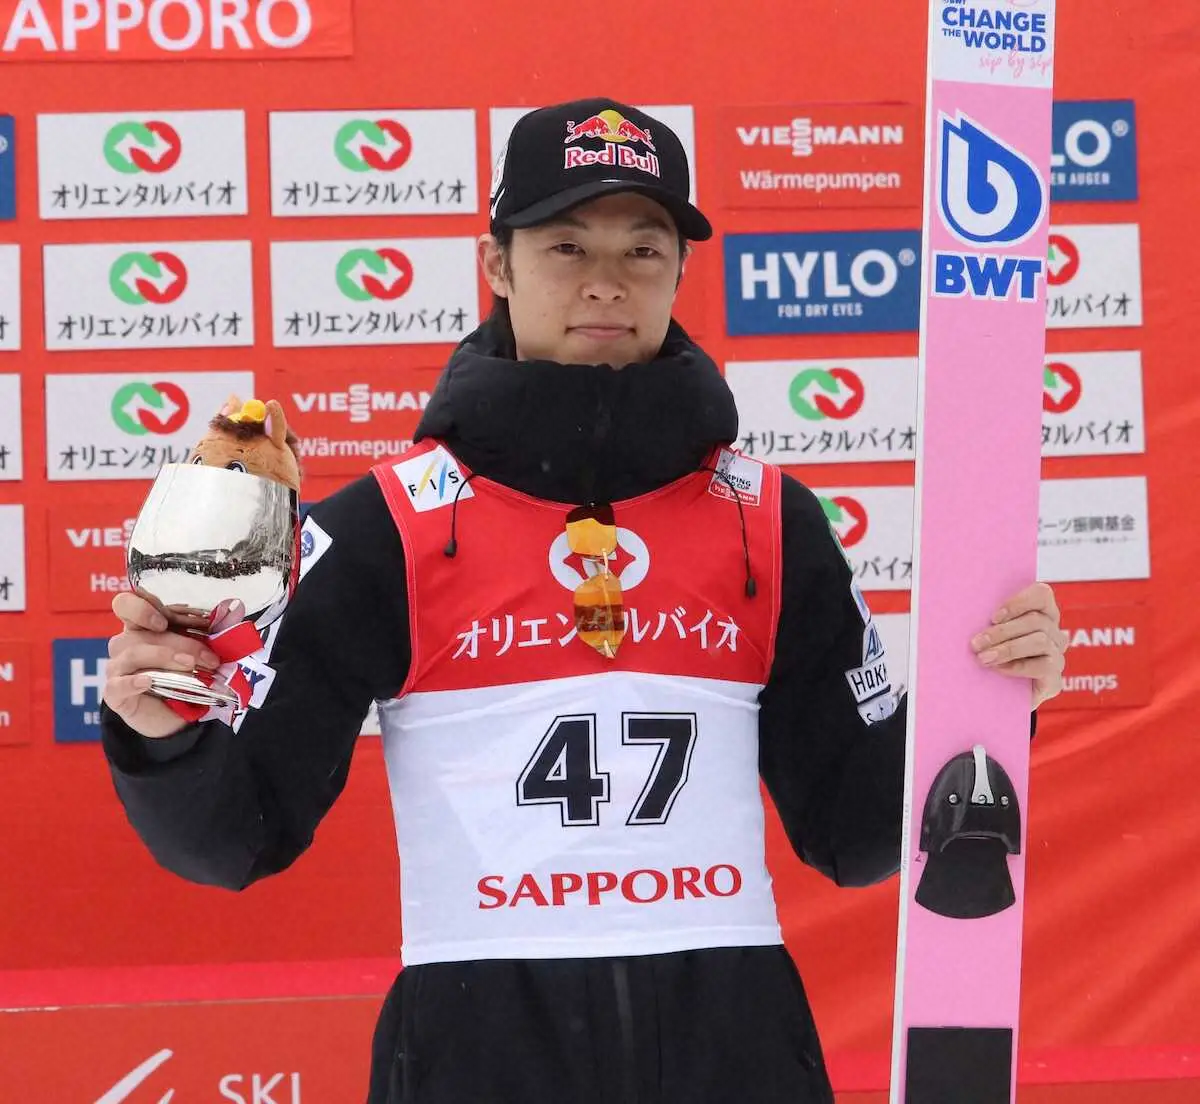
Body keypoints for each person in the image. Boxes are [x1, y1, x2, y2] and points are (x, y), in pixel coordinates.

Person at [100, 99, 1068, 1104]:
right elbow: (235, 838)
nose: (607, 280)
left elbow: (857, 833)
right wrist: (163, 737)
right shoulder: (386, 529)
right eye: (566, 245)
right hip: (482, 1051)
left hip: (732, 1046)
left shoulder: (771, 523)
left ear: (679, 272)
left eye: (643, 249)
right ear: (498, 265)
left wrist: (988, 704)